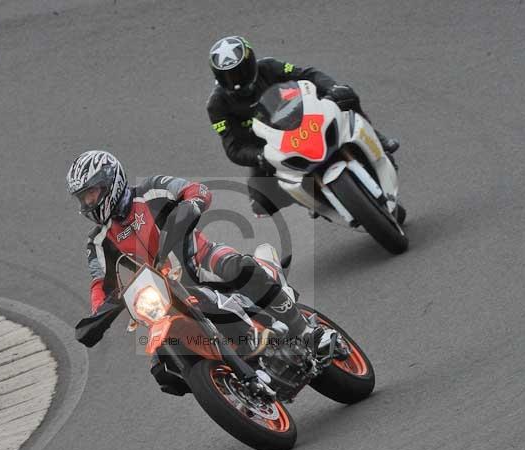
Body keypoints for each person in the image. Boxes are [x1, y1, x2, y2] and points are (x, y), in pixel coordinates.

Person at [66, 150, 332, 389]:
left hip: (200, 260)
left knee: (240, 268)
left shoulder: (150, 190)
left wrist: (190, 205)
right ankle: (228, 385)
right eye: (83, 197)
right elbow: (100, 283)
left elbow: (196, 190)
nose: (88, 202)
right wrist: (97, 315)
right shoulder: (98, 242)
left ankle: (305, 331)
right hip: (163, 297)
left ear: (111, 182)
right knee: (162, 370)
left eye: (92, 193)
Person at [206, 35, 400, 217]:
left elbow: (306, 74)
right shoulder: (217, 105)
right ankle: (308, 199)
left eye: (241, 72)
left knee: (345, 94)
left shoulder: (268, 67)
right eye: (230, 77)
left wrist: (332, 88)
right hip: (270, 146)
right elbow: (233, 147)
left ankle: (378, 139)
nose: (238, 80)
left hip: (301, 118)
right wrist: (259, 156)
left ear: (251, 63)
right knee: (261, 204)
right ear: (219, 78)